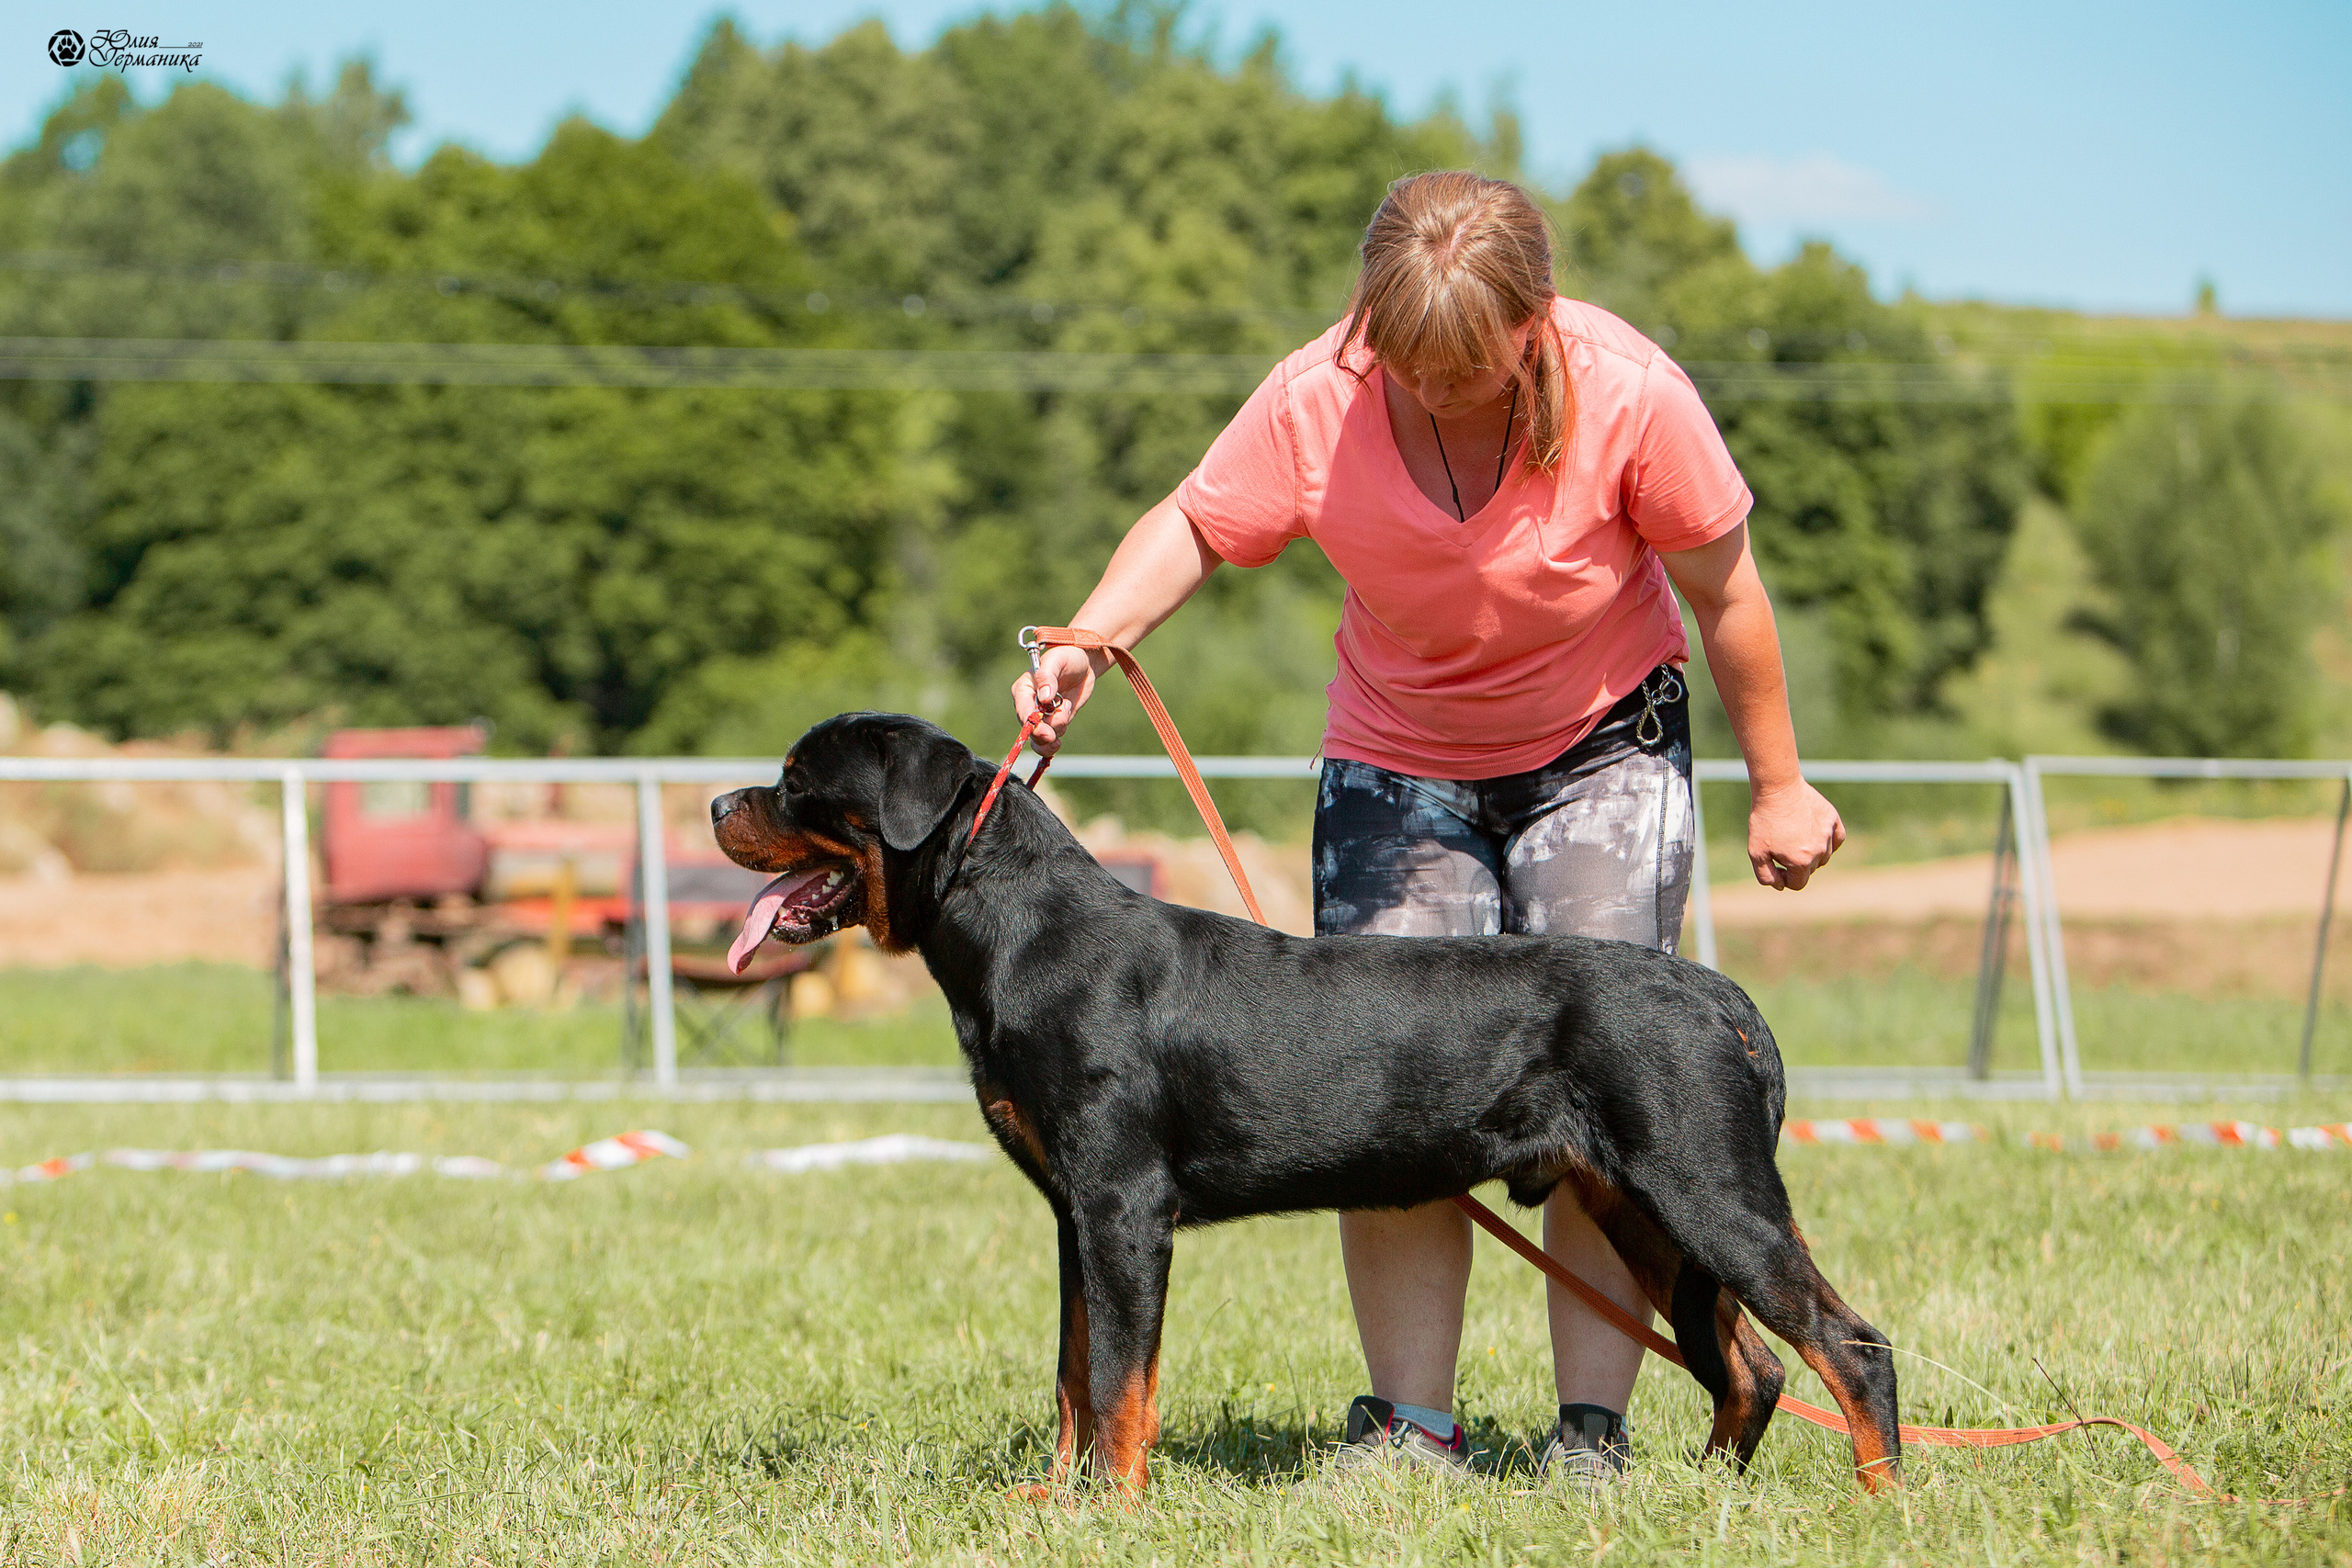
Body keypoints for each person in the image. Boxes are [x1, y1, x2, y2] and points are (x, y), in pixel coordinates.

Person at [1010, 171, 1844, 1485]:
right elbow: (1192, 523)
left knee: (1599, 1100)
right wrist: (1088, 639)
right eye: (1408, 364)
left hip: (1599, 751)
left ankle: (1593, 1436)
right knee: (1377, 1099)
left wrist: (1780, 783)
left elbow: (1728, 594)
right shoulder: (1316, 397)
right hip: (1397, 765)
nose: (1437, 392)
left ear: (1536, 323)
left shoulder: (1632, 390)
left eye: (1468, 368)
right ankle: (1410, 1428)